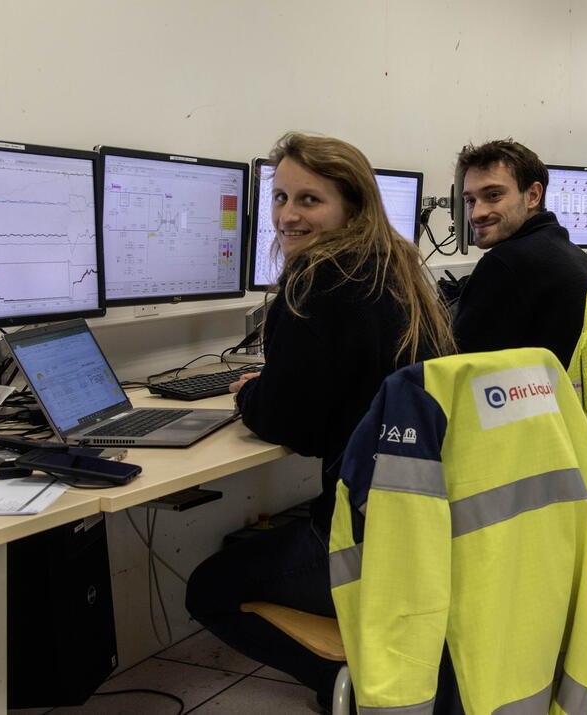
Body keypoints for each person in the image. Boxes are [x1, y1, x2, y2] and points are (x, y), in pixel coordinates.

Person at [185, 132, 455, 706]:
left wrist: (248, 396)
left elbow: (294, 427)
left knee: (209, 589)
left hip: (369, 539)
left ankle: (354, 694)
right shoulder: (397, 270)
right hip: (426, 525)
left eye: (310, 200)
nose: (288, 215)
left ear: (351, 208)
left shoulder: (317, 281)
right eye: (281, 197)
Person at [452, 139, 587, 367]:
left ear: (533, 195)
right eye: (471, 200)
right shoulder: (568, 251)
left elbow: (458, 366)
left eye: (493, 195)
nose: (476, 213)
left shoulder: (506, 263)